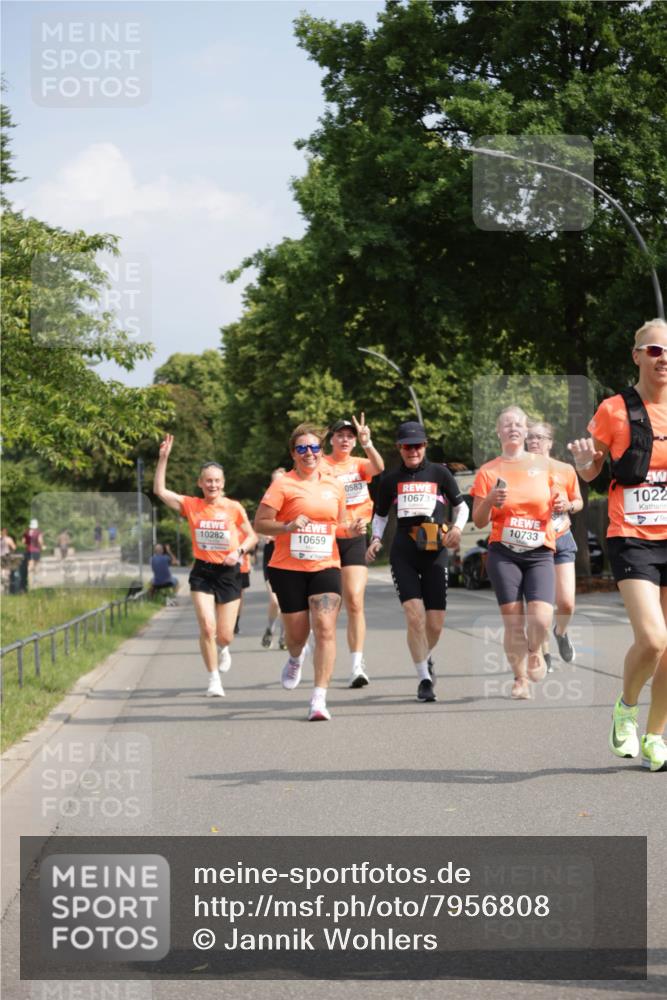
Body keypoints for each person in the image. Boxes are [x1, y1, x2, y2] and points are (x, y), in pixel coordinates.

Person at [569, 318, 667, 772]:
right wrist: (586, 465)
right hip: (631, 536)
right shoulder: (614, 409)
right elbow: (591, 473)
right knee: (652, 638)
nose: (663, 358)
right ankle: (625, 709)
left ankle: (654, 737)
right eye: (654, 350)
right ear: (637, 356)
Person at [254, 423, 366, 721]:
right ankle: (294, 658)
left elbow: (338, 525)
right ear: (293, 453)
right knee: (297, 635)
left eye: (314, 447)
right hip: (287, 568)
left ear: (321, 451)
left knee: (326, 627)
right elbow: (260, 524)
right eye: (302, 448)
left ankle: (319, 698)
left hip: (325, 565)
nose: (309, 453)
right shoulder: (283, 485)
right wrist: (287, 527)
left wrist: (351, 528)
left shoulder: (334, 484)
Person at [366, 421, 468, 703]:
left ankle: (427, 654)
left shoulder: (440, 473)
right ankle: (424, 677)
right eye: (407, 446)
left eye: (418, 445)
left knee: (435, 624)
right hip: (404, 550)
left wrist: (457, 528)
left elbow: (461, 506)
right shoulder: (389, 480)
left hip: (435, 551)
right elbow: (381, 515)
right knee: (414, 615)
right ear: (399, 448)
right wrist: (375, 539)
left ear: (425, 446)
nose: (413, 450)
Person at [153, 435, 257, 697]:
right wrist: (163, 459)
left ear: (223, 484)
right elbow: (160, 491)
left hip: (229, 572)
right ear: (200, 483)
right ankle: (213, 680)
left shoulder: (233, 507)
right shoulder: (191, 505)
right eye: (208, 480)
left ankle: (223, 648)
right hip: (203, 572)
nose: (212, 484)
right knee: (207, 627)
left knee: (225, 635)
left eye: (217, 481)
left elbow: (252, 536)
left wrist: (239, 552)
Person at [470, 406, 562, 700]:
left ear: (526, 431)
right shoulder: (488, 471)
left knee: (541, 618)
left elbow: (560, 503)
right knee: (513, 620)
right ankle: (520, 679)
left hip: (539, 552)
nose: (512, 428)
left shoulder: (545, 467)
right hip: (504, 552)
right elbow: (480, 520)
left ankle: (535, 649)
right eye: (507, 424)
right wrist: (489, 501)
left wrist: (562, 505)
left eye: (518, 424)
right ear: (498, 432)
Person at [323, 414, 384, 687]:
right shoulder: (321, 465)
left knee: (355, 600)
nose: (345, 440)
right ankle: (320, 647)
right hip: (327, 538)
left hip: (355, 536)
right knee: (329, 606)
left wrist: (367, 442)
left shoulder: (360, 464)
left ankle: (357, 665)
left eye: (349, 436)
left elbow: (379, 467)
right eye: (340, 435)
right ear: (331, 439)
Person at [525, 421, 583, 669]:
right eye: (530, 438)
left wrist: (568, 506)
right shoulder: (517, 470)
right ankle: (544, 654)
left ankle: (560, 632)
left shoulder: (565, 469)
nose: (534, 441)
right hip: (533, 542)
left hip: (560, 537)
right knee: (541, 604)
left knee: (567, 602)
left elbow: (578, 501)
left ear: (550, 442)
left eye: (539, 437)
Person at [260, 468, 287, 650]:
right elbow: (259, 526)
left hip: (289, 558)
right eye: (274, 482)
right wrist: (266, 534)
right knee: (275, 601)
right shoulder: (267, 504)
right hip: (271, 557)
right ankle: (270, 628)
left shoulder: (294, 501)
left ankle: (284, 636)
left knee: (288, 602)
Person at [23, 518, 44, 584]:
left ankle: (27, 579)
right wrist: (42, 546)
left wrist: (28, 543)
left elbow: (23, 541)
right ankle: (35, 580)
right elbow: (40, 541)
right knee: (36, 565)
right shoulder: (38, 532)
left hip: (28, 550)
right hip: (36, 550)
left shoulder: (26, 532)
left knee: (29, 565)